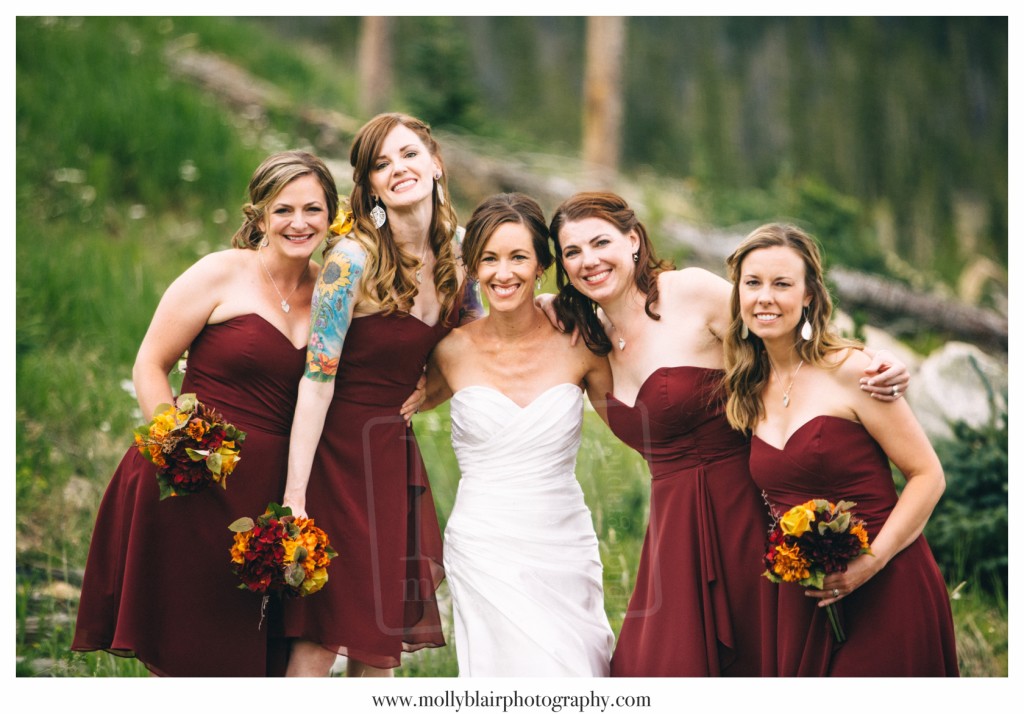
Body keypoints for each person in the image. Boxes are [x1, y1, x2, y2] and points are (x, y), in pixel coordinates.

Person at [547, 191, 910, 677]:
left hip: (747, 515)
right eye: (572, 251)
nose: (588, 260)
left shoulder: (691, 292)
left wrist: (871, 360)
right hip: (673, 535)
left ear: (633, 240)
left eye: (600, 242)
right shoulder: (589, 341)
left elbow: (782, 326)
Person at [71, 150, 339, 676]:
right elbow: (150, 364)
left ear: (332, 216)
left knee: (244, 654)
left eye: (313, 209)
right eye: (284, 209)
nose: (299, 223)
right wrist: (178, 449)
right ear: (260, 214)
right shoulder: (220, 273)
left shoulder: (332, 292)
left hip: (267, 499)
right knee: (187, 651)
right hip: (191, 487)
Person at [279, 113, 480, 677]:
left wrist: (429, 390)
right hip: (333, 455)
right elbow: (316, 379)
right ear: (369, 186)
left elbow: (477, 348)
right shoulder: (351, 261)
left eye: (409, 154)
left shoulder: (462, 258)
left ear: (435, 164)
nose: (398, 169)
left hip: (391, 456)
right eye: (381, 164)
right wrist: (295, 496)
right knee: (320, 639)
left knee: (377, 645)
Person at [722, 223, 958, 676]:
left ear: (809, 295)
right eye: (752, 283)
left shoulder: (853, 371)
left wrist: (870, 563)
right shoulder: (747, 388)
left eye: (782, 284)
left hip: (888, 583)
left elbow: (928, 476)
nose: (764, 297)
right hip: (806, 601)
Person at [422, 193, 615, 676]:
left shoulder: (581, 342)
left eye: (518, 258)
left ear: (541, 266)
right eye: (489, 258)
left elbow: (636, 424)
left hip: (563, 545)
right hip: (483, 545)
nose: (503, 273)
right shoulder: (450, 351)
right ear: (473, 266)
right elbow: (383, 404)